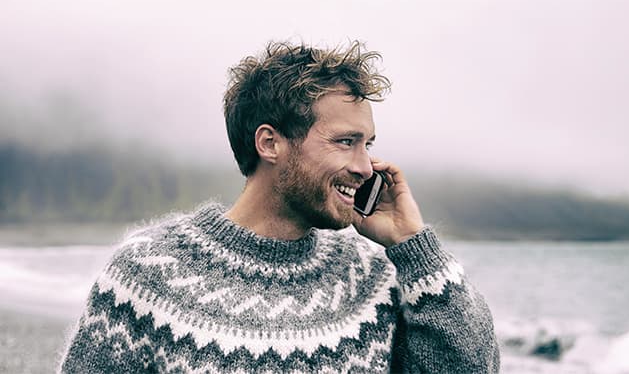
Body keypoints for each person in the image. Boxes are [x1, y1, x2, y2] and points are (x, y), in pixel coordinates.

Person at [60, 41, 500, 373]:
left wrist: (415, 249)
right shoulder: (148, 273)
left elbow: (473, 367)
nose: (368, 167)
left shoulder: (376, 279)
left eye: (368, 144)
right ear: (270, 142)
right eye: (346, 142)